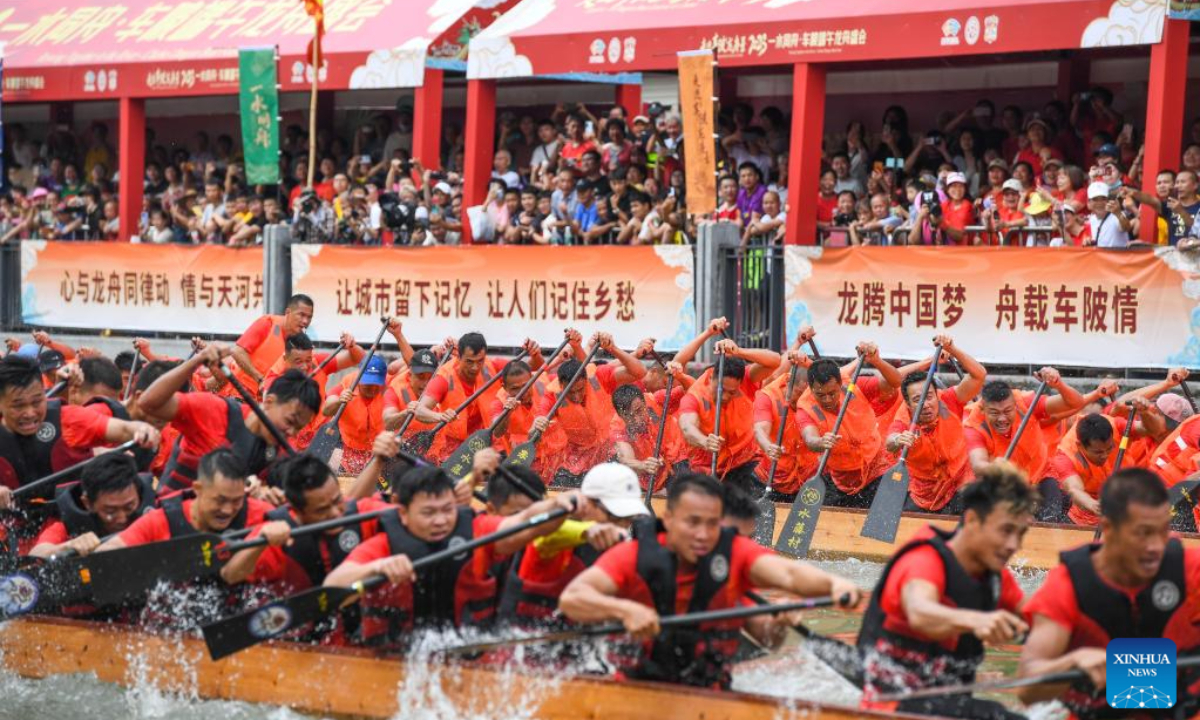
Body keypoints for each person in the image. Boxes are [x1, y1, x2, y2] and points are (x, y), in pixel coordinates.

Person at [558, 472, 861, 689]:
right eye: (693, 523)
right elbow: (573, 599)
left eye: (711, 524)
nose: (703, 535)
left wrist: (831, 586)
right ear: (669, 519)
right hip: (637, 691)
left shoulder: (732, 554)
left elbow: (786, 578)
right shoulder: (632, 556)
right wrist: (625, 612)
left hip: (711, 696)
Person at [322, 466, 580, 647]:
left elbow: (526, 521)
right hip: (394, 657)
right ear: (403, 513)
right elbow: (332, 586)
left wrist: (561, 504)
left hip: (466, 653)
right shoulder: (384, 545)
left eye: (447, 510)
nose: (441, 521)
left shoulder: (478, 530)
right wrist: (377, 567)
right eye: (429, 513)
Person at [858, 462, 1035, 719]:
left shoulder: (996, 579)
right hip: (891, 706)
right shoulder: (925, 560)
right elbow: (920, 612)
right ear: (972, 520)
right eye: (1006, 530)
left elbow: (1043, 620)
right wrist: (978, 619)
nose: (1013, 545)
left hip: (948, 706)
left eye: (1021, 534)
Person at [1019, 468, 1200, 720]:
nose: (1156, 546)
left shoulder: (1191, 570)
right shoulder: (1068, 584)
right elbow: (1027, 688)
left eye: (1162, 531)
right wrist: (1072, 663)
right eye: (1142, 533)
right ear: (1108, 528)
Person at [0, 355, 160, 538]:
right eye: (18, 406)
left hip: (72, 525)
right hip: (13, 531)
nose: (29, 413)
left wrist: (141, 429)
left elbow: (123, 428)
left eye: (37, 402)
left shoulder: (68, 419)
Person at [137, 344, 319, 495]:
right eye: (290, 421)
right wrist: (195, 362)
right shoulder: (213, 409)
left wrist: (269, 497)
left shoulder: (283, 451)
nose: (291, 433)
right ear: (269, 401)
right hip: (174, 522)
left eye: (298, 428)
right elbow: (148, 403)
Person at [221, 454, 395, 602]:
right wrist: (259, 544)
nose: (335, 513)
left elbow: (406, 518)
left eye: (337, 501)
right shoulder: (275, 532)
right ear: (297, 512)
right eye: (322, 510)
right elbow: (230, 575)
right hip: (299, 628)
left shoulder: (361, 510)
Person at [498, 463, 646, 628]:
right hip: (521, 642)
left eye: (629, 518)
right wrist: (589, 530)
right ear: (587, 504)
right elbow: (544, 532)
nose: (623, 525)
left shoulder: (623, 544)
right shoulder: (550, 530)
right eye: (616, 516)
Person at [964, 369, 1085, 521]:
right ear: (983, 409)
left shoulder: (1026, 402)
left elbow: (1077, 402)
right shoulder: (973, 425)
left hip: (1040, 475)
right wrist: (995, 467)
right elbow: (978, 465)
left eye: (1007, 411)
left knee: (1051, 518)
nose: (1002, 419)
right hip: (1004, 481)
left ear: (1015, 404)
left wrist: (1058, 384)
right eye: (994, 413)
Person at [886, 336, 986, 514]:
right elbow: (890, 442)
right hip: (924, 492)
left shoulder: (948, 399)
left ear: (936, 393)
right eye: (917, 400)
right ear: (908, 405)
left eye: (929, 396)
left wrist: (952, 348)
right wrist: (898, 440)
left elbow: (979, 375)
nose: (926, 404)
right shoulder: (904, 418)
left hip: (959, 482)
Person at [100, 449, 273, 551]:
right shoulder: (162, 520)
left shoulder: (262, 513)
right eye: (220, 500)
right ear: (197, 489)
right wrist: (81, 548)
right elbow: (111, 550)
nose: (227, 510)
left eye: (236, 501)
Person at [796, 345, 903, 507]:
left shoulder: (853, 385)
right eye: (820, 395)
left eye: (832, 393)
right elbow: (809, 438)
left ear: (840, 383)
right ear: (811, 388)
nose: (827, 400)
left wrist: (877, 361)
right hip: (841, 478)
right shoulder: (804, 408)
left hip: (876, 467)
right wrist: (820, 442)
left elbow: (895, 382)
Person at [534, 332, 646, 486]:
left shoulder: (598, 375)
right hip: (579, 453)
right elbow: (540, 418)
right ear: (561, 385)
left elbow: (640, 372)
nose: (576, 396)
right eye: (570, 392)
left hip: (610, 445)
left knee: (622, 478)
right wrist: (538, 422)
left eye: (580, 389)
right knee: (561, 482)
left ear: (585, 380)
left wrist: (613, 349)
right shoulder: (552, 394)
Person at [678, 339, 781, 495]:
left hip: (744, 458)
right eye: (721, 389)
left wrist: (738, 351)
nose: (725, 396)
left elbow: (775, 361)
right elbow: (687, 427)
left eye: (732, 392)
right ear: (712, 376)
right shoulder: (695, 395)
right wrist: (705, 442)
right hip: (708, 463)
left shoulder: (746, 378)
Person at [415, 333, 533, 463]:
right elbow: (420, 410)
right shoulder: (443, 378)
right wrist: (440, 416)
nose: (475, 367)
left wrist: (535, 353)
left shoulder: (493, 366)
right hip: (455, 449)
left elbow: (530, 369)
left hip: (491, 444)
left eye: (480, 361)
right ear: (458, 357)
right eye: (469, 361)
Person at [28, 452, 156, 558]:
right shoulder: (68, 524)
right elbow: (35, 555)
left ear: (138, 495)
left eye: (129, 507)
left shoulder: (157, 507)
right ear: (87, 503)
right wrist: (68, 546)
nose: (122, 518)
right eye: (110, 511)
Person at [1050, 402, 1157, 526]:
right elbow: (1074, 489)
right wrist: (1095, 505)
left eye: (1110, 448)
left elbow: (1150, 429)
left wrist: (1145, 413)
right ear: (1080, 446)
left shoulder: (1116, 426)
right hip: (1085, 515)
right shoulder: (1064, 456)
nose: (1105, 455)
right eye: (1098, 452)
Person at [262, 331, 365, 451]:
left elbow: (358, 359)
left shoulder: (318, 363)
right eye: (298, 361)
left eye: (308, 360)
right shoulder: (274, 380)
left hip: (321, 433)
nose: (305, 366)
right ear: (286, 358)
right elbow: (269, 415)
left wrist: (352, 346)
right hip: (291, 437)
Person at [752, 350, 819, 499]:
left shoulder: (820, 394)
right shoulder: (767, 396)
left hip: (808, 478)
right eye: (799, 393)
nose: (802, 401)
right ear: (788, 381)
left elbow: (837, 376)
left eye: (807, 395)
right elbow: (760, 430)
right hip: (771, 478)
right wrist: (768, 446)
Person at [228, 294, 315, 397]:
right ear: (288, 312)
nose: (305, 321)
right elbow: (236, 351)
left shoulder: (301, 343)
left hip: (266, 404)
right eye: (301, 315)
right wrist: (260, 379)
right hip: (238, 395)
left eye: (309, 317)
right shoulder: (267, 323)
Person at [611, 383, 686, 494]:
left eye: (639, 410)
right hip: (648, 472)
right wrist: (643, 465)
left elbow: (690, 388)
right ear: (621, 415)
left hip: (678, 459)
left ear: (644, 403)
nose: (637, 420)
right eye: (629, 416)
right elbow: (626, 460)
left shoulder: (656, 399)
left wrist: (680, 375)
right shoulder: (617, 427)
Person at [322, 355, 388, 476]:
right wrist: (339, 401)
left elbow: (407, 365)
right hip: (349, 450)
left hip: (380, 452)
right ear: (359, 376)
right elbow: (326, 410)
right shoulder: (346, 385)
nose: (373, 388)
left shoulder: (391, 386)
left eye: (376, 383)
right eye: (368, 383)